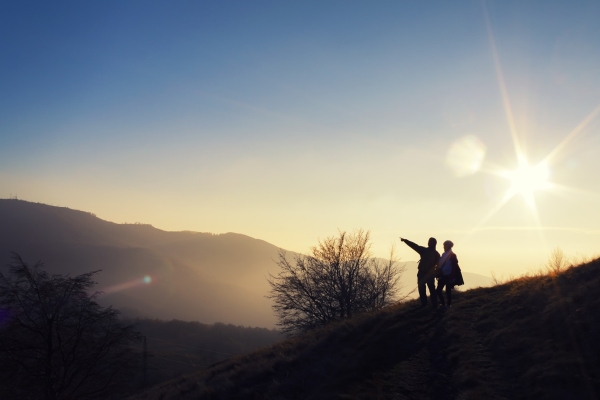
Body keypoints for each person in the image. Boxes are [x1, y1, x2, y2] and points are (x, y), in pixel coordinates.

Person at [400, 237, 440, 308]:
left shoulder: (424, 251)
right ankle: (434, 304)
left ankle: (424, 304)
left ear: (430, 243)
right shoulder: (436, 254)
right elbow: (439, 265)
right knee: (432, 289)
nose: (428, 243)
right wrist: (437, 273)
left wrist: (405, 241)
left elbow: (414, 246)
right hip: (430, 274)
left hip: (422, 273)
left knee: (422, 289)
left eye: (429, 242)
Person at [436, 240, 459, 308]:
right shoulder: (447, 254)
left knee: (443, 290)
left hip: (447, 275)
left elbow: (454, 266)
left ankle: (446, 304)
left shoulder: (451, 255)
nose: (443, 247)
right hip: (445, 275)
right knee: (445, 291)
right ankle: (447, 305)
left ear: (447, 246)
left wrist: (451, 276)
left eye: (444, 245)